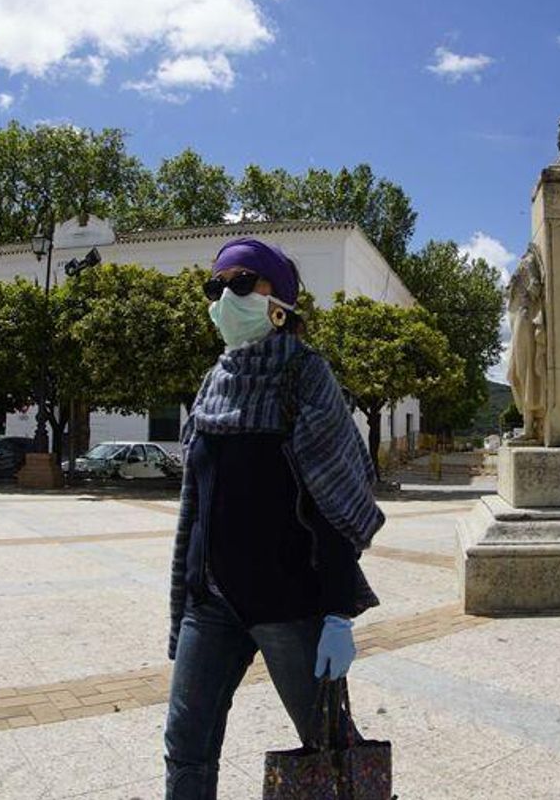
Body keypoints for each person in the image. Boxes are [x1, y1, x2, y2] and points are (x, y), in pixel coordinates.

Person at [164, 237, 386, 799]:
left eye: (239, 284)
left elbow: (336, 499)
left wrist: (338, 613)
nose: (223, 300)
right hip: (208, 605)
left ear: (279, 301)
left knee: (330, 746)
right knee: (185, 748)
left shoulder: (306, 377)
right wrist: (185, 596)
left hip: (288, 604)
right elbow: (197, 501)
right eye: (215, 289)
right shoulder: (214, 382)